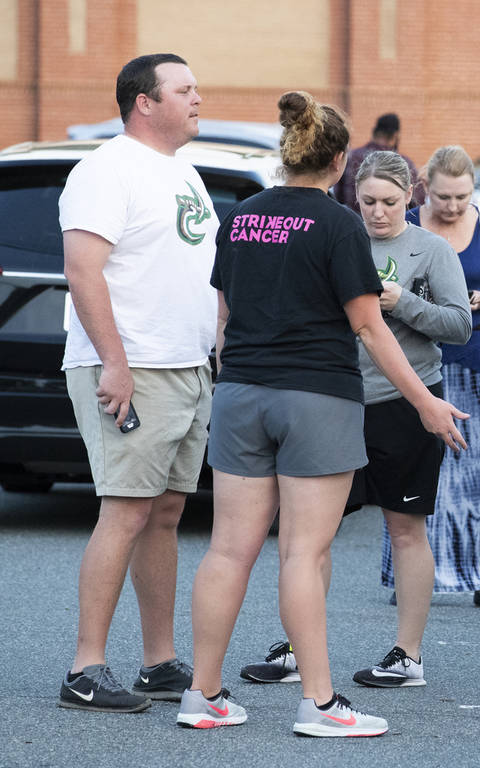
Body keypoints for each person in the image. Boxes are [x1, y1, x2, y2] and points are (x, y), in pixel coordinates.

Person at [178, 93, 468, 736]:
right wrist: (426, 402)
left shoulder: (244, 215)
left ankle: (203, 694)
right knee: (303, 554)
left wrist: (238, 381)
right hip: (316, 399)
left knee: (227, 550)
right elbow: (369, 327)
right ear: (340, 161)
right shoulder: (339, 226)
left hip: (241, 393)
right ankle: (319, 703)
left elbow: (223, 322)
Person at [238, 150, 472, 690]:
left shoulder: (430, 249)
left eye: (390, 202)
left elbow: (460, 326)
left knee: (405, 528)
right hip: (334, 399)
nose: (379, 213)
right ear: (352, 196)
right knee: (309, 535)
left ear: (412, 195)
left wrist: (401, 302)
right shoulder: (336, 236)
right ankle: (298, 646)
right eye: (368, 202)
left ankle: (407, 655)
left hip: (407, 401)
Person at [58, 53, 214, 714]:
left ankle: (158, 662)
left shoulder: (184, 172)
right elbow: (84, 270)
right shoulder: (105, 169)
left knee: (166, 513)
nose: (197, 98)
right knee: (124, 509)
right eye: (184, 89)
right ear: (144, 102)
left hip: (185, 367)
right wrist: (114, 363)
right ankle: (85, 668)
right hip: (133, 367)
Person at [383, 144, 480, 610]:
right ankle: (411, 574)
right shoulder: (407, 221)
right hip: (415, 357)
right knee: (414, 465)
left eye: (462, 197)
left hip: (476, 354)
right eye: (444, 197)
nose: (454, 206)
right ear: (424, 190)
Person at [333, 113, 425, 213]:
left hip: (352, 222)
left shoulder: (350, 157)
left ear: (374, 132)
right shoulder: (403, 163)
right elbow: (418, 201)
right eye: (369, 201)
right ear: (395, 135)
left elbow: (338, 195)